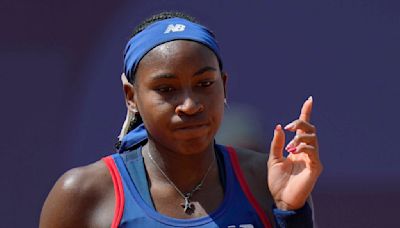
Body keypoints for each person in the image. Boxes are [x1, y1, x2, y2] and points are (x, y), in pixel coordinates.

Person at [40, 12, 322, 228]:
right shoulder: (82, 194)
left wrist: (292, 212)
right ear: (131, 97)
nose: (189, 105)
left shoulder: (265, 180)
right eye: (166, 89)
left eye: (204, 83)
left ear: (224, 86)